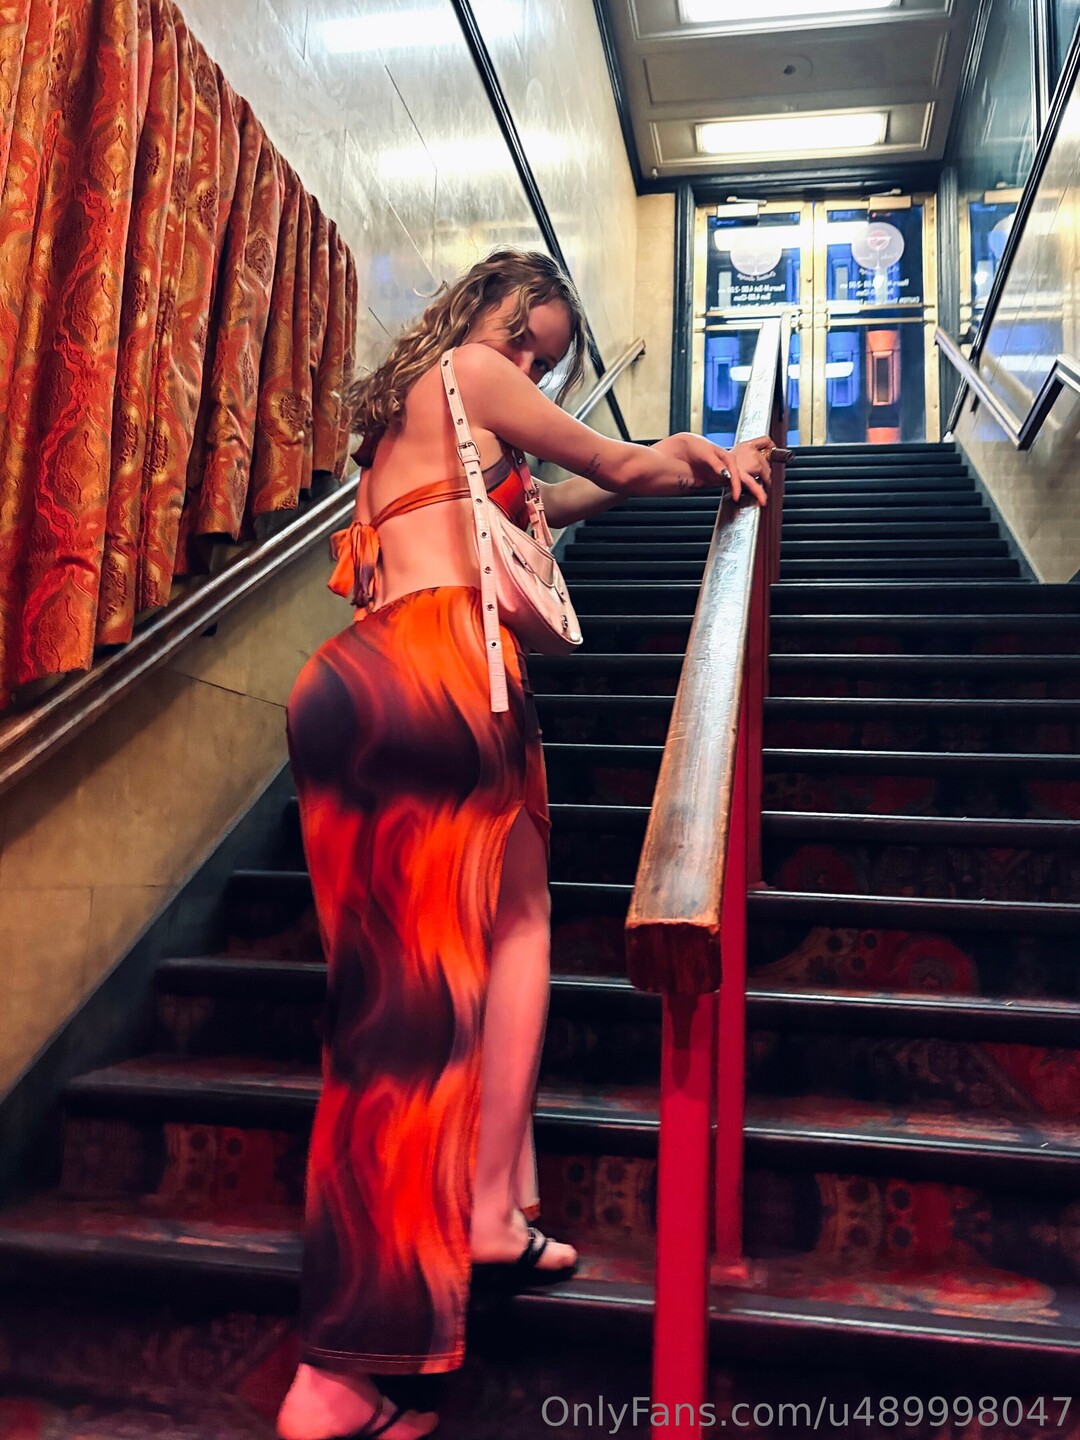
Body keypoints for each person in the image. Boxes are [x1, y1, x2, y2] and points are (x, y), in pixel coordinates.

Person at [277, 249, 772, 1440]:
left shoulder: (409, 423)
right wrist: (706, 454)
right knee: (427, 1007)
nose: (529, 367)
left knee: (456, 960)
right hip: (447, 676)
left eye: (545, 362)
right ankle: (340, 1370)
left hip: (350, 685)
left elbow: (557, 497)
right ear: (487, 306)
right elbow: (613, 461)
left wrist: (633, 471)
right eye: (525, 340)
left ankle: (488, 1214)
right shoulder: (471, 371)